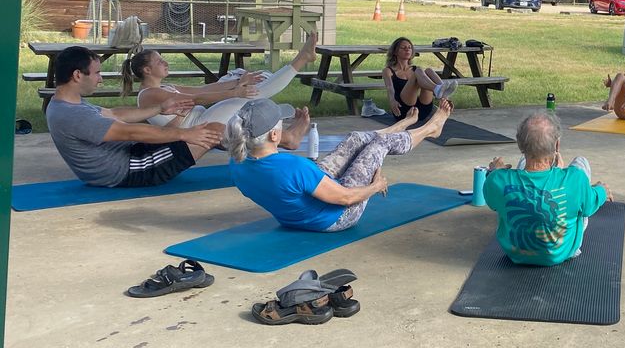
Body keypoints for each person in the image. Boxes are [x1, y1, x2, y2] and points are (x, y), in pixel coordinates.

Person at [224, 97, 452, 232]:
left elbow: (288, 181)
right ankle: (430, 129)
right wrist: (376, 185)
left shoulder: (237, 163)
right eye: (282, 124)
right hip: (337, 217)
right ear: (274, 135)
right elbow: (346, 198)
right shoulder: (291, 167)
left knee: (354, 138)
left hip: (298, 210)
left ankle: (400, 128)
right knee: (379, 145)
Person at [46, 45, 224, 187]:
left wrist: (160, 108)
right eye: (97, 73)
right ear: (77, 75)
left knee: (185, 131)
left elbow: (115, 113)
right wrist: (185, 134)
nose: (100, 79)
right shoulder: (72, 114)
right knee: (214, 129)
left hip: (129, 154)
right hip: (130, 169)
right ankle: (250, 159)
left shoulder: (65, 103)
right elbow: (130, 132)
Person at [125, 31, 317, 149]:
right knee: (254, 96)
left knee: (250, 92)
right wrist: (235, 92)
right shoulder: (148, 95)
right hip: (200, 125)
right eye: (160, 61)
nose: (165, 63)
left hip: (207, 118)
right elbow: (198, 99)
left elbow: (204, 88)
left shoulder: (166, 87)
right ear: (147, 70)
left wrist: (239, 82)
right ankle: (301, 59)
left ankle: (287, 138)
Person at [483, 111, 608, 265]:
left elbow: (491, 199)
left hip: (515, 252)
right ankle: (555, 172)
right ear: (557, 145)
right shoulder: (576, 178)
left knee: (524, 164)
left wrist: (494, 172)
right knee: (581, 162)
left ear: (520, 144)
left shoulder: (498, 180)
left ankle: (550, 169)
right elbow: (589, 206)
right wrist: (601, 190)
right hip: (563, 252)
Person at [382, 36, 459, 125]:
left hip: (421, 111)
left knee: (428, 71)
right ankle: (437, 89)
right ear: (395, 52)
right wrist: (392, 100)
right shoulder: (388, 70)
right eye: (403, 48)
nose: (407, 50)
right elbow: (389, 87)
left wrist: (446, 102)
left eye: (409, 48)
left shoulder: (415, 69)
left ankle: (443, 94)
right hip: (403, 111)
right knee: (418, 72)